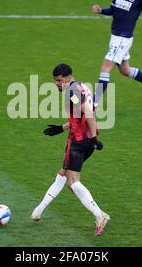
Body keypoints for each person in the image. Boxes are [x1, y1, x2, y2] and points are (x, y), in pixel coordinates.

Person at [30, 63, 110, 236]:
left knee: (72, 182)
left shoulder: (71, 92)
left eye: (59, 81)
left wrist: (94, 137)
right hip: (86, 139)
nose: (56, 84)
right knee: (63, 174)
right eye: (55, 81)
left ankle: (100, 215)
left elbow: (87, 112)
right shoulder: (80, 86)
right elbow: (81, 114)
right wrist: (61, 128)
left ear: (67, 77)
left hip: (79, 141)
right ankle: (38, 211)